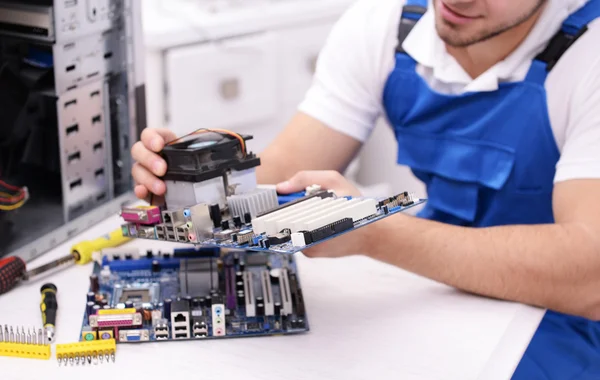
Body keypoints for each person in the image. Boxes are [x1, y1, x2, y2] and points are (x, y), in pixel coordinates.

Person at [132, 0, 600, 378]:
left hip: (563, 316)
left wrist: (377, 231)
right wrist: (200, 180)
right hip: (435, 284)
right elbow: (288, 170)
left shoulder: (589, 55)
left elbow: (589, 276)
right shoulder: (388, 22)